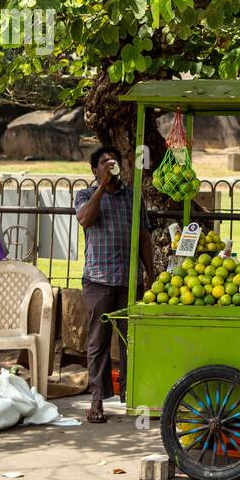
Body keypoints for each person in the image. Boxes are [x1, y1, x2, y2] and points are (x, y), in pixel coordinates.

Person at [74, 146, 154, 424]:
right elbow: (85, 219)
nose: (111, 167)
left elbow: (144, 236)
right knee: (99, 342)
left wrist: (150, 272)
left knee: (132, 340)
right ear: (94, 170)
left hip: (128, 280)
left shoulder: (133, 197)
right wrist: (101, 187)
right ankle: (97, 399)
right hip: (98, 280)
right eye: (104, 163)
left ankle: (133, 395)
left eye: (114, 162)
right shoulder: (85, 195)